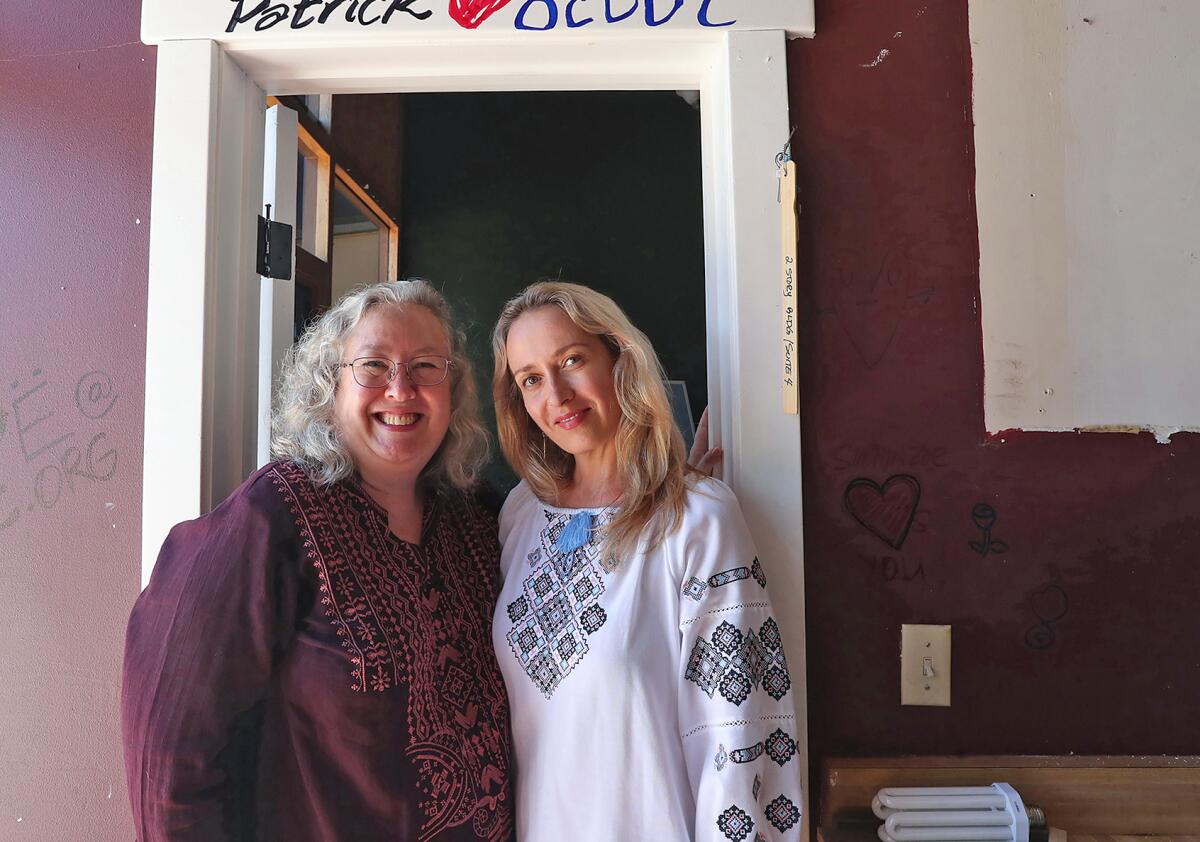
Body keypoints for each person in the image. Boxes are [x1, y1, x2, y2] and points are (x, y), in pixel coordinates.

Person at [121, 280, 513, 842]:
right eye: (373, 365)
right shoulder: (266, 521)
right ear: (329, 387)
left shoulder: (479, 518)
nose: (401, 389)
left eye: (427, 366)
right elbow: (169, 759)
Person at [489, 282, 802, 841]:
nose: (556, 394)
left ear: (618, 360)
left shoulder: (697, 520)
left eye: (572, 360)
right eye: (531, 379)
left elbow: (740, 735)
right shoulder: (520, 515)